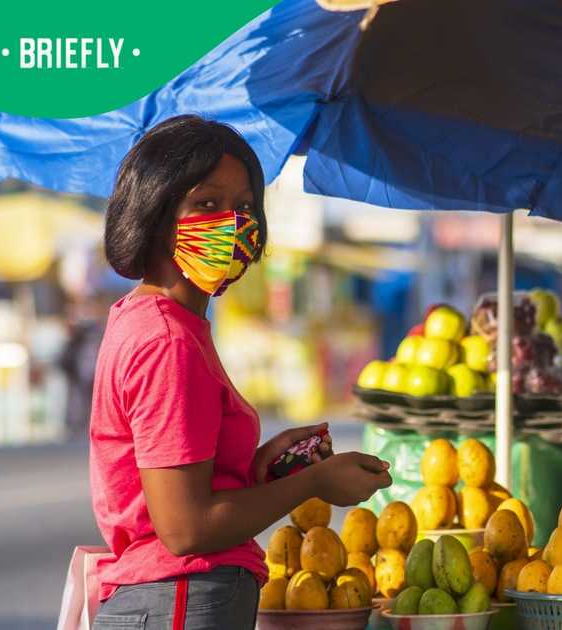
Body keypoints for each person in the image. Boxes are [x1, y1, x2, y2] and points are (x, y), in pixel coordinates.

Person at [89, 116, 393, 630]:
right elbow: (186, 527)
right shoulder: (166, 340)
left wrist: (254, 470)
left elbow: (181, 486)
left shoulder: (171, 325)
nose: (232, 222)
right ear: (158, 215)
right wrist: (314, 482)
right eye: (207, 204)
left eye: (244, 207)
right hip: (178, 601)